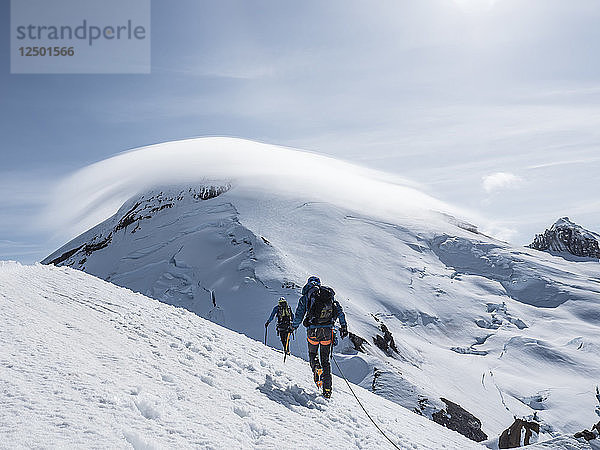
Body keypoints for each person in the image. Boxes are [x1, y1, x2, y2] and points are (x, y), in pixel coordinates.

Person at [292, 276, 348, 398]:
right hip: (327, 332)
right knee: (326, 360)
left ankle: (316, 368)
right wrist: (344, 326)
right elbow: (339, 311)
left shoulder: (306, 297)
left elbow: (299, 315)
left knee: (313, 354)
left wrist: (293, 327)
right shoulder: (328, 296)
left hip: (313, 331)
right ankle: (327, 390)